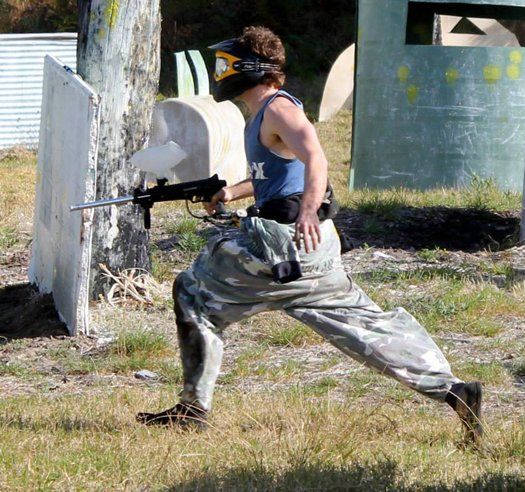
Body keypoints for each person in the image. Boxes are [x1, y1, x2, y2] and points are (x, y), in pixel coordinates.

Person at [137, 26, 483, 444]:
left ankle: (193, 408)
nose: (220, 72)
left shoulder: (279, 109)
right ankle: (454, 390)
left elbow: (315, 156)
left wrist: (306, 211)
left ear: (250, 68)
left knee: (192, 290)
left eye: (226, 64)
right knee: (364, 328)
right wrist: (233, 190)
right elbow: (279, 174)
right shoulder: (262, 115)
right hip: (312, 249)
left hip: (284, 246)